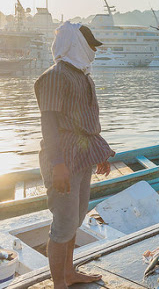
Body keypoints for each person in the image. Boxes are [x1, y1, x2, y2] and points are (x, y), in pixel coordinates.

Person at [34, 22, 114, 289]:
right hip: (63, 159)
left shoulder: (82, 74)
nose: (93, 50)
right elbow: (49, 124)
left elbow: (87, 122)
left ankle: (69, 273)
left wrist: (99, 153)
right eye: (90, 45)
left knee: (76, 219)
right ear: (76, 44)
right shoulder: (55, 76)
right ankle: (59, 283)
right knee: (64, 223)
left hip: (81, 157)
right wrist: (57, 164)